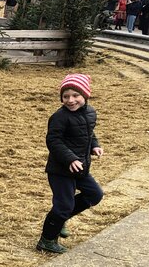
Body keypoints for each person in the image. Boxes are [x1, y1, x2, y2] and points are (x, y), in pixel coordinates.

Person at [36, 74, 104, 254]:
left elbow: (89, 134)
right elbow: (54, 141)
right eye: (66, 96)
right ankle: (47, 240)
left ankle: (62, 218)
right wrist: (70, 158)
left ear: (85, 95)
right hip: (60, 170)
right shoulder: (59, 117)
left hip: (80, 168)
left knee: (95, 194)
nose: (70, 100)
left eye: (75, 95)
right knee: (63, 205)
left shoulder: (90, 113)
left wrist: (95, 146)